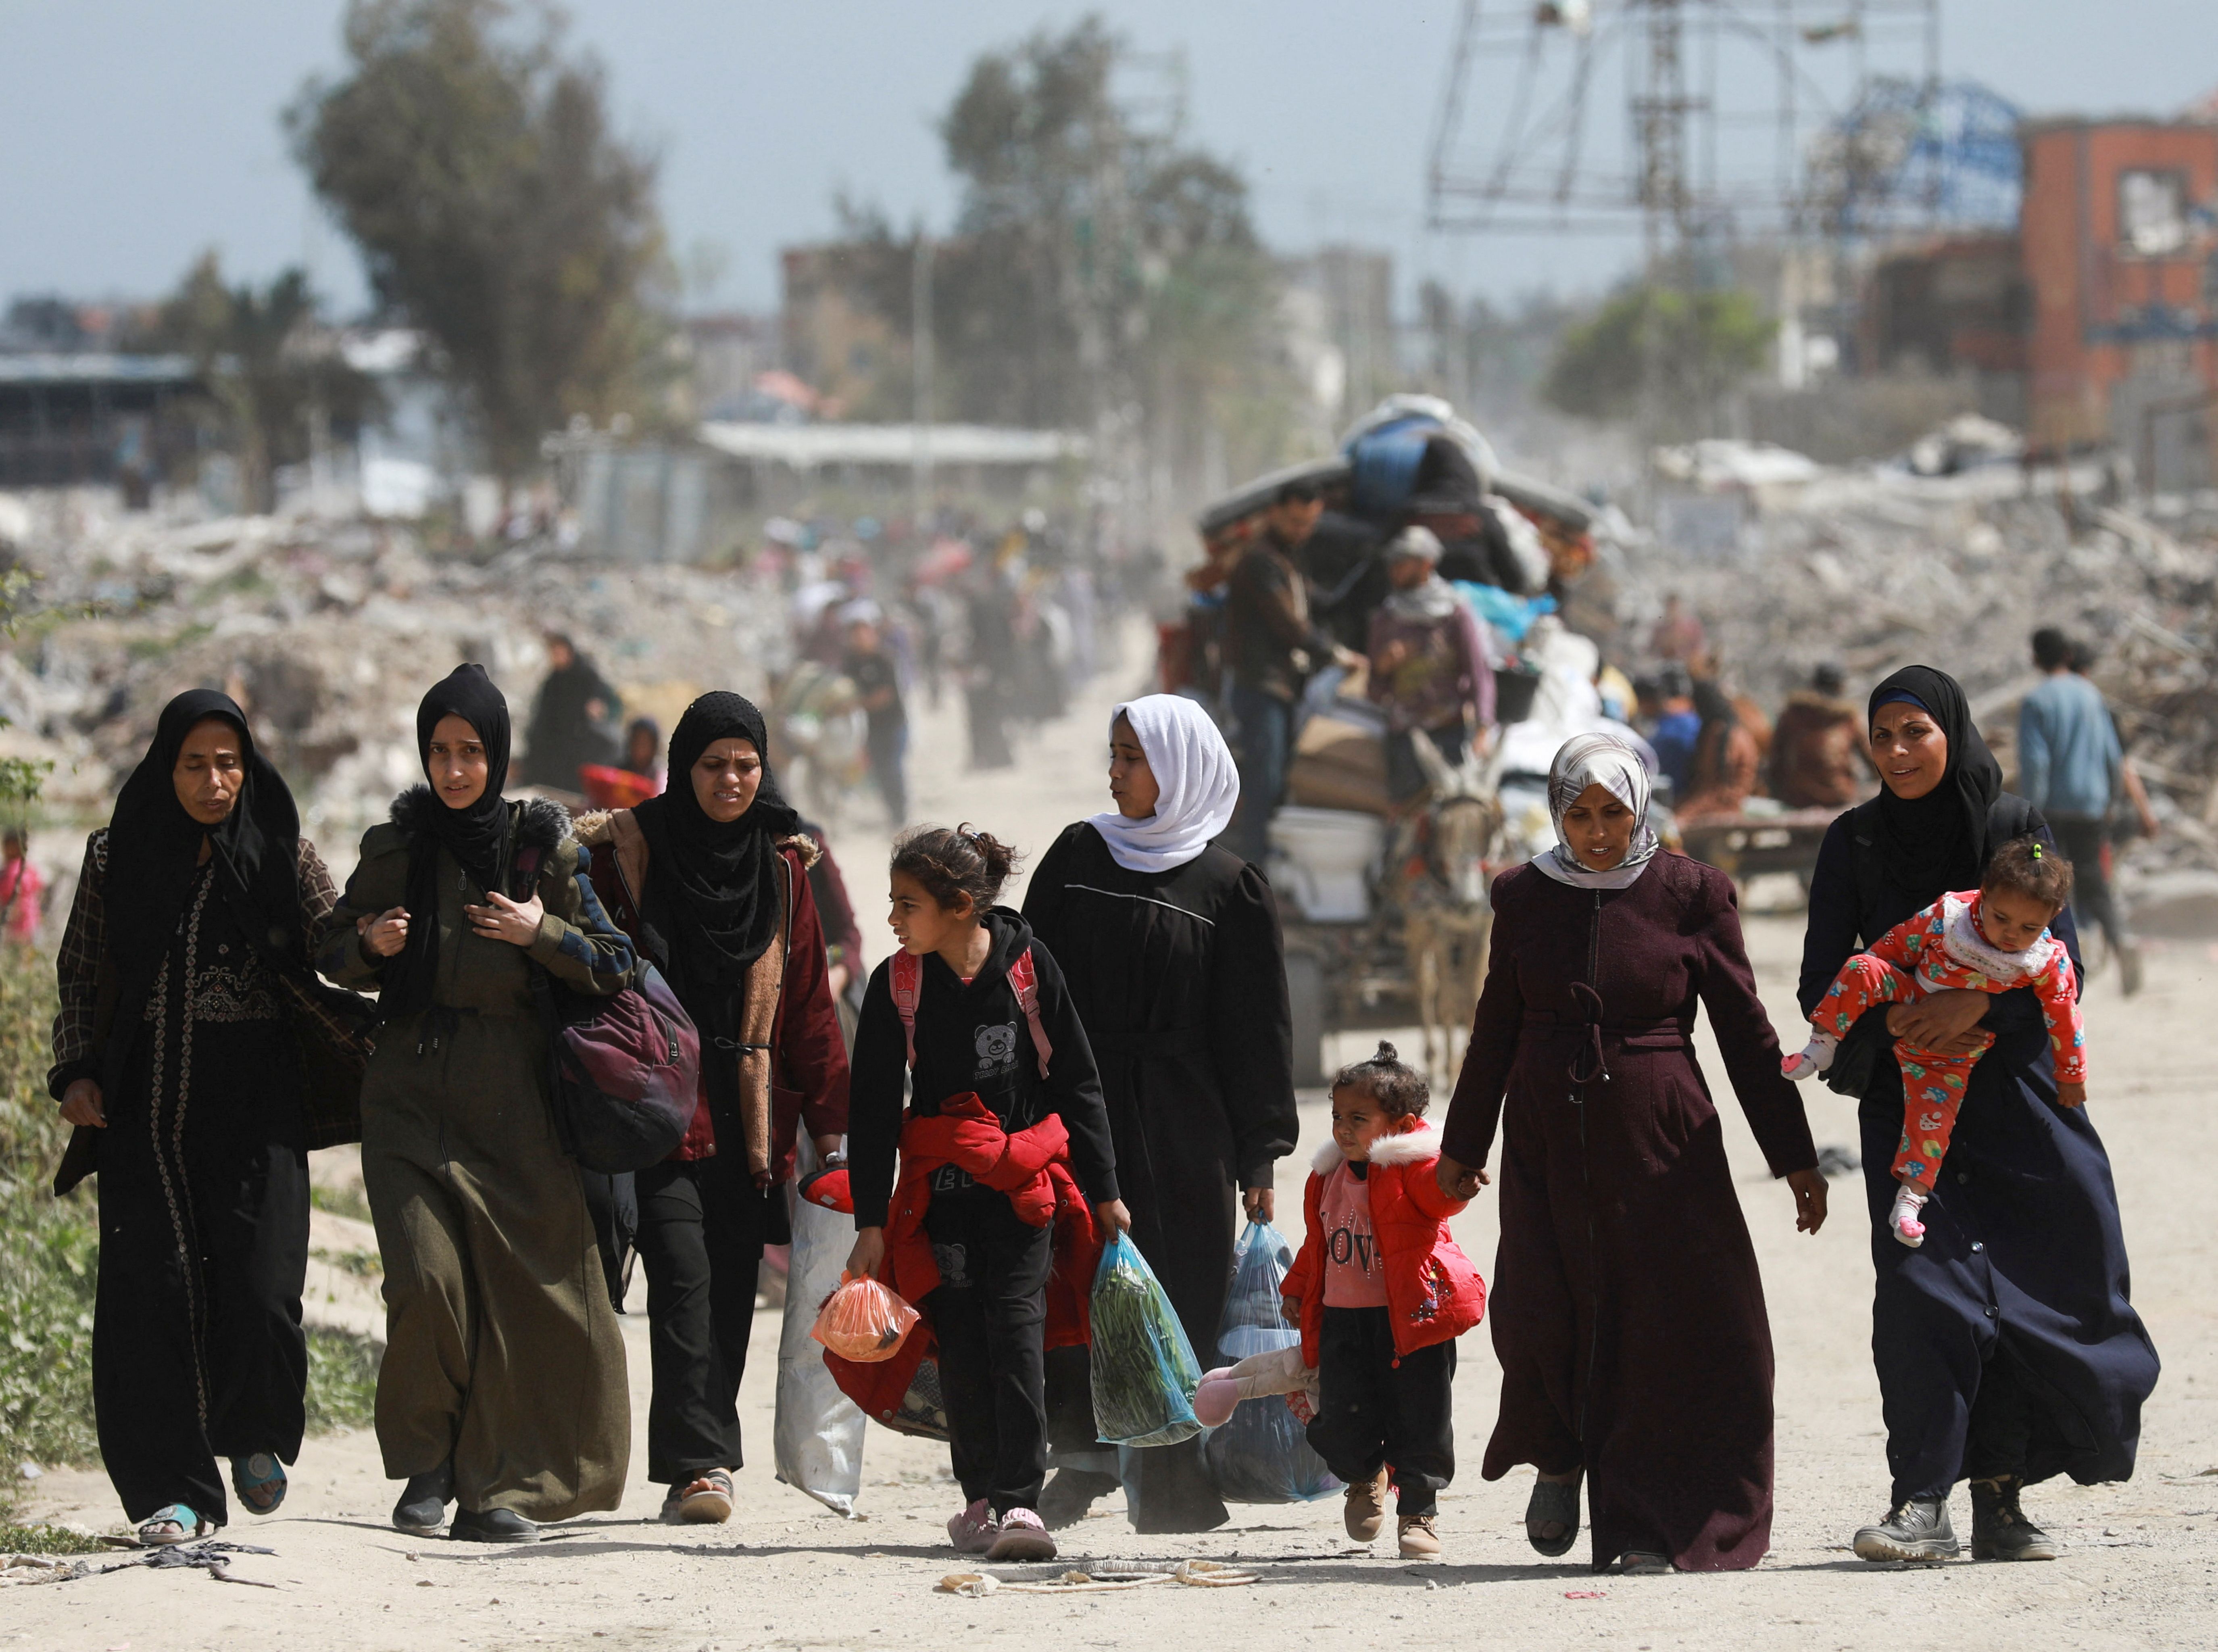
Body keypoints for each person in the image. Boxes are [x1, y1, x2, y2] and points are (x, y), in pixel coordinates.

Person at [1439, 732, 1828, 1573]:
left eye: (1612, 811)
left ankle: (1650, 1517)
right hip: (1544, 1129)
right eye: (1577, 814)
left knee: (1668, 1319)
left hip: (1659, 1135)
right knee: (1542, 1304)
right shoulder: (1521, 894)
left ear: (1640, 806)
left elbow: (1743, 1032)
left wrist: (1792, 1153)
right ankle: (1559, 1452)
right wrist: (1461, 1145)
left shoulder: (1691, 892)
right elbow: (1492, 1029)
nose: (1597, 831)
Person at [1799, 665, 2158, 1565]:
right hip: (1908, 1098)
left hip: (2014, 1101)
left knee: (2038, 1283)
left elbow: (2060, 960)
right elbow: (1818, 979)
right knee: (1922, 1290)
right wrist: (1903, 1016)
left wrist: (1977, 1010)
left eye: (1913, 730)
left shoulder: (2013, 827)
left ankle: (2000, 1495)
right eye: (1881, 735)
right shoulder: (1855, 841)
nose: (1895, 751)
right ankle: (1920, 1497)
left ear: (1951, 731)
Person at [319, 665, 638, 1544]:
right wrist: (369, 944)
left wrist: (544, 933)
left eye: (470, 751)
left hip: (517, 1097)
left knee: (528, 1295)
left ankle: (505, 1483)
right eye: (439, 751)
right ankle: (428, 1463)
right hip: (409, 1094)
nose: (455, 769)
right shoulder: (394, 848)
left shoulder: (543, 849)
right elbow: (328, 946)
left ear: (497, 754)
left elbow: (615, 963)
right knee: (426, 1280)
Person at [49, 690, 371, 1545]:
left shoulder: (283, 852)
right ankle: (174, 1490)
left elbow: (331, 943)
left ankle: (255, 1431)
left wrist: (371, 945)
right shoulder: (117, 857)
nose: (214, 779)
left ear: (248, 765)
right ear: (166, 765)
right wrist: (76, 1070)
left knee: (262, 1288)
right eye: (195, 762)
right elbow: (81, 975)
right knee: (149, 1296)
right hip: (141, 1108)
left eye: (228, 761)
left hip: (255, 1103)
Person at [1022, 695, 1299, 1532]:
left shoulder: (1227, 886)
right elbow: (1024, 979)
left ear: (1178, 769)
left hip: (1187, 1122)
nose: (1114, 772)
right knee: (1075, 1282)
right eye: (1112, 753)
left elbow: (1256, 1030)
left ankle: (1174, 1480)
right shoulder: (1075, 856)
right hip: (1080, 1101)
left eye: (1131, 757)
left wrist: (1260, 1156)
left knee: (1175, 1291)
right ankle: (1081, 1459)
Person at [578, 694, 848, 1523]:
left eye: (744, 765)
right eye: (712, 765)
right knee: (681, 1272)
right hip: (654, 1104)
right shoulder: (628, 854)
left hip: (749, 1111)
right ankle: (698, 1462)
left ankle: (704, 1455)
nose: (730, 780)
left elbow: (805, 1005)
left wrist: (830, 1131)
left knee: (731, 1278)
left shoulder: (781, 871)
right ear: (682, 769)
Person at [844, 826, 1130, 1564]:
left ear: (962, 907)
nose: (895, 919)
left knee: (1016, 1337)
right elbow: (873, 1108)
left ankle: (1020, 1504)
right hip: (939, 1204)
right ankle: (977, 1497)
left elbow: (1079, 1081)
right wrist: (871, 1221)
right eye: (893, 903)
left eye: (908, 905)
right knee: (963, 1347)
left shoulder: (1029, 972)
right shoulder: (897, 985)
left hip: (1021, 1198)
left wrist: (1105, 1191)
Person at [1786, 837, 2086, 1247]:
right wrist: (1881, 1001)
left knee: (1931, 1124)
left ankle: (1910, 1202)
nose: (2011, 934)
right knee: (1860, 966)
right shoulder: (1950, 916)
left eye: (2028, 927)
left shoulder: (2047, 959)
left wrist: (2071, 1074)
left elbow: (2064, 1016)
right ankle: (1822, 1045)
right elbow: (1893, 945)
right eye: (2001, 918)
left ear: (2053, 917)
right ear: (1983, 896)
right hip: (1908, 1002)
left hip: (1954, 1055)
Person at [1282, 1041, 1484, 1561]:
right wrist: (1298, 1288)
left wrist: (1458, 1184)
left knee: (1421, 1417)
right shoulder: (1324, 1178)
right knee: (1342, 1420)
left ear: (1399, 1124)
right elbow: (1317, 1243)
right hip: (1345, 1325)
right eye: (1337, 1117)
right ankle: (1363, 1473)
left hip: (1408, 1320)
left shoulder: (1409, 1168)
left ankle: (1418, 1510)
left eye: (1358, 1117)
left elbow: (1437, 1195)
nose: (1343, 1129)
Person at [1224, 479, 1363, 863]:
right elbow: (1290, 626)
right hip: (1261, 687)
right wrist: (1337, 654)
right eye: (1294, 521)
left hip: (1283, 689)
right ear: (1275, 514)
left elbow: (1318, 603)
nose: (1301, 531)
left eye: (1308, 523)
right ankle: (1253, 869)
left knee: (1278, 780)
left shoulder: (1288, 561)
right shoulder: (1260, 562)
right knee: (1263, 782)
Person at [2020, 628, 2140, 994]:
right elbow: (2112, 756)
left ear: (2036, 658)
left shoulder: (2037, 701)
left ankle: (2070, 956)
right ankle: (2120, 940)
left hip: (2053, 810)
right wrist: (2110, 802)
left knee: (2047, 879)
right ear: (2068, 654)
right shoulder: (2091, 695)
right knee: (2093, 878)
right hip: (2091, 806)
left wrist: (2031, 815)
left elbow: (2036, 763)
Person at [1365, 527, 1495, 804]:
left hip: (1449, 733)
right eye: (1393, 562)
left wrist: (1483, 729)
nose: (1395, 570)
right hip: (1405, 739)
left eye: (1403, 562)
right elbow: (1374, 692)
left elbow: (1478, 673)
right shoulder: (1387, 618)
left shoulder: (1454, 613)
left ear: (1426, 564)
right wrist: (1384, 666)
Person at [523, 632, 621, 791]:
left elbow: (610, 701)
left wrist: (598, 706)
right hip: (559, 738)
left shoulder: (586, 675)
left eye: (560, 652)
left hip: (583, 737)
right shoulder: (553, 681)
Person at [842, 607, 909, 826]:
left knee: (893, 770)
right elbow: (845, 689)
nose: (860, 638)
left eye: (864, 632)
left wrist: (858, 704)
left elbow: (886, 695)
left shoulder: (884, 659)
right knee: (879, 772)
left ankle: (901, 814)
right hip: (870, 728)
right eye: (856, 634)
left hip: (894, 725)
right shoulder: (851, 662)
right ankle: (892, 813)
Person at [1770, 664, 1871, 809]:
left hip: (1799, 799)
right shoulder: (1847, 719)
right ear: (1840, 687)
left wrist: (1777, 791)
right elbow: (1872, 760)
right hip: (1839, 797)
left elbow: (1777, 759)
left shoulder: (1793, 715)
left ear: (1814, 685)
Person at [1677, 676, 1764, 819]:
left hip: (1724, 804)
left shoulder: (1721, 735)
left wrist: (1684, 815)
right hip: (1716, 800)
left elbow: (1718, 787)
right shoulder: (1734, 731)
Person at [0, 826, 44, 942]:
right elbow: (39, 891)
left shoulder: (12, 872)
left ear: (13, 847)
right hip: (33, 924)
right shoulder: (29, 868)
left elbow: (14, 903)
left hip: (18, 930)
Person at [1649, 593, 1707, 665]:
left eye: (1675, 606)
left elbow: (1699, 648)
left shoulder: (1692, 626)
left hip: (1688, 666)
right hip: (1664, 666)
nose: (1673, 610)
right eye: (1670, 606)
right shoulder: (1660, 629)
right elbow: (1653, 650)